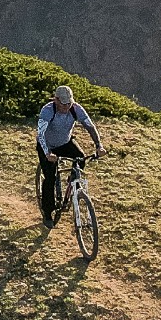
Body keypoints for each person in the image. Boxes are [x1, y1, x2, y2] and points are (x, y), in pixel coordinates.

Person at [36, 85, 105, 222]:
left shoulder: (76, 109)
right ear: (56, 100)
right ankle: (48, 212)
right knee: (50, 177)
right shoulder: (48, 110)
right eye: (63, 103)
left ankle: (72, 180)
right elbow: (40, 133)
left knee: (81, 157)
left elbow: (90, 126)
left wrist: (99, 145)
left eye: (69, 103)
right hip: (47, 146)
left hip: (65, 142)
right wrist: (48, 153)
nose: (67, 106)